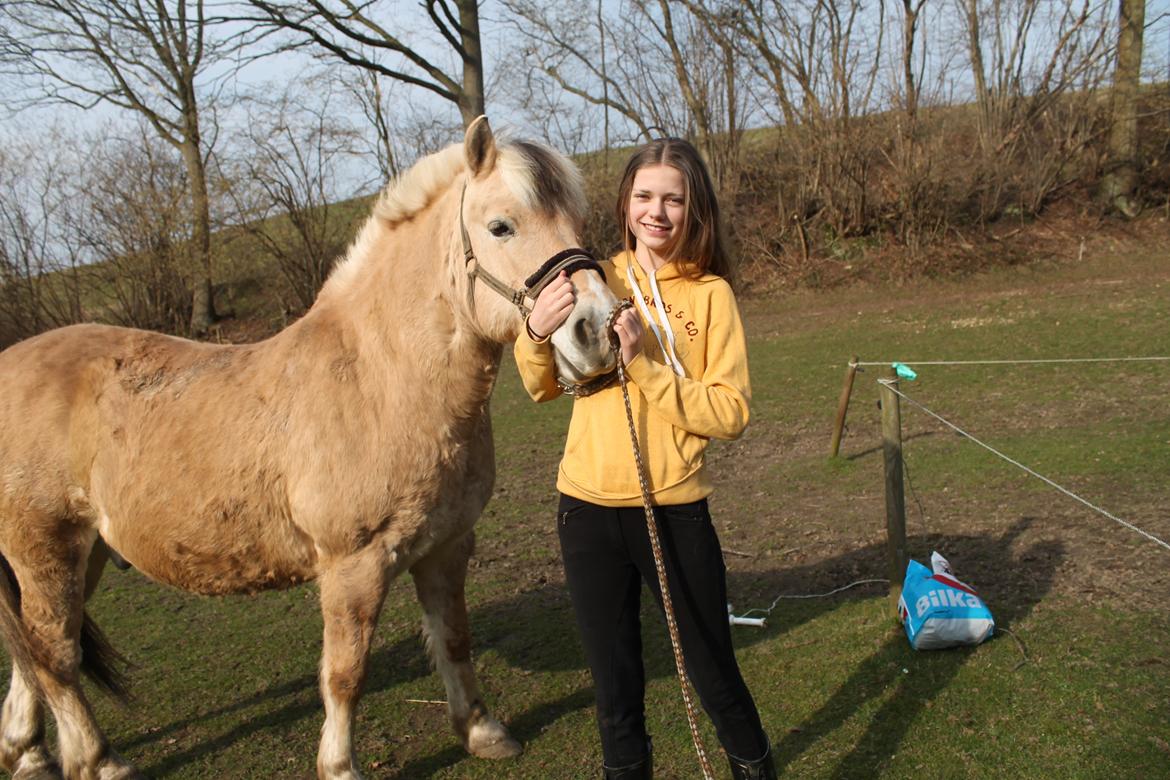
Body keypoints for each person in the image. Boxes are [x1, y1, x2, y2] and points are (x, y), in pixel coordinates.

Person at [514, 138, 776, 780]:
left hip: (673, 510)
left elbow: (731, 411)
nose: (657, 212)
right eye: (644, 197)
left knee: (715, 675)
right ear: (626, 203)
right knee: (615, 693)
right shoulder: (593, 278)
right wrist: (535, 333)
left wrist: (648, 368)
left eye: (673, 199)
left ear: (694, 209)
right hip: (587, 512)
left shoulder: (711, 295)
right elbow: (543, 386)